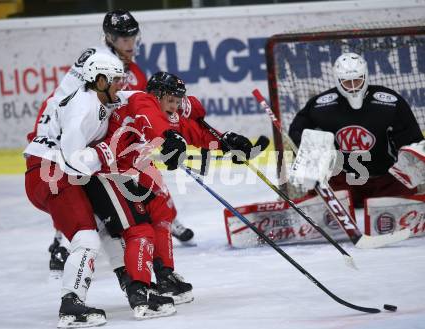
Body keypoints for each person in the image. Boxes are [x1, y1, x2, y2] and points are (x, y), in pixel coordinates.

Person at [26, 9, 192, 275]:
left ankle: (167, 217)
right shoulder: (98, 60)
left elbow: (134, 103)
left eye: (132, 37)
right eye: (122, 38)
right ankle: (60, 242)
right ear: (109, 38)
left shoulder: (124, 66)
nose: (130, 44)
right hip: (66, 129)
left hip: (89, 125)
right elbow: (70, 101)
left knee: (125, 167)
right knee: (71, 182)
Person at [24, 53, 176, 327]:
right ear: (100, 80)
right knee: (87, 237)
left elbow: (134, 98)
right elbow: (73, 161)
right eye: (116, 79)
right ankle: (71, 305)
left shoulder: (98, 96)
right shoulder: (83, 108)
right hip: (52, 173)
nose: (122, 84)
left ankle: (132, 285)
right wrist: (106, 152)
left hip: (56, 171)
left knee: (106, 228)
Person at [84, 71, 258, 305]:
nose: (175, 107)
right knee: (139, 227)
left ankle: (164, 274)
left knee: (163, 209)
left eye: (178, 102)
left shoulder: (167, 113)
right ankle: (136, 282)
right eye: (171, 100)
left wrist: (226, 141)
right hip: (111, 169)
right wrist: (168, 139)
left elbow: (193, 131)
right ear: (156, 95)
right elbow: (151, 121)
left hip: (138, 165)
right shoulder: (140, 101)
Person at [288, 52, 424, 207]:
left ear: (365, 76)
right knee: (316, 209)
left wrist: (411, 160)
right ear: (338, 81)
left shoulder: (389, 102)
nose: (353, 87)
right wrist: (316, 155)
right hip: (343, 182)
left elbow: (411, 137)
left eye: (357, 80)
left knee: (408, 210)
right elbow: (296, 133)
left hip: (386, 180)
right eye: (347, 82)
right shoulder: (320, 105)